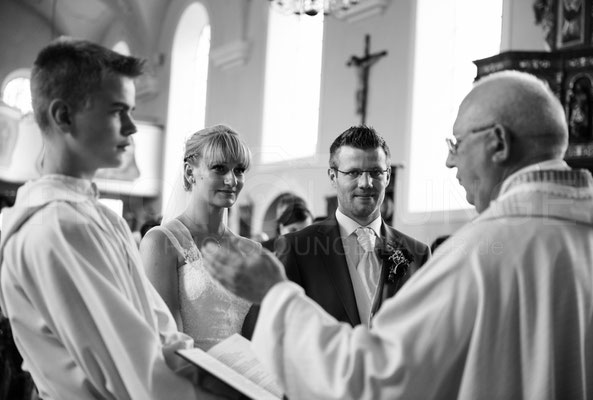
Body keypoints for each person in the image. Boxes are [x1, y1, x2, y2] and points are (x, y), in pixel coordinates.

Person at [202, 70, 593, 399]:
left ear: (498, 142)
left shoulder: (477, 252)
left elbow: (372, 378)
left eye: (457, 143)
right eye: (352, 173)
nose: (449, 159)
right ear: (334, 177)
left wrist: (275, 295)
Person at [0, 37, 225, 399]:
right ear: (64, 116)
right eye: (116, 110)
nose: (132, 127)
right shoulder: (59, 226)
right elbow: (137, 372)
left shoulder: (92, 214)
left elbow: (159, 332)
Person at [280, 126, 430, 328]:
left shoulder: (417, 255)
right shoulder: (297, 249)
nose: (366, 183)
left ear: (387, 177)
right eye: (353, 172)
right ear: (333, 177)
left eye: (376, 172)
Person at [139, 125, 259, 351]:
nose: (232, 181)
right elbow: (166, 340)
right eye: (219, 168)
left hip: (245, 380)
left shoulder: (252, 250)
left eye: (239, 170)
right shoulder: (162, 242)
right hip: (188, 377)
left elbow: (257, 337)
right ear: (189, 173)